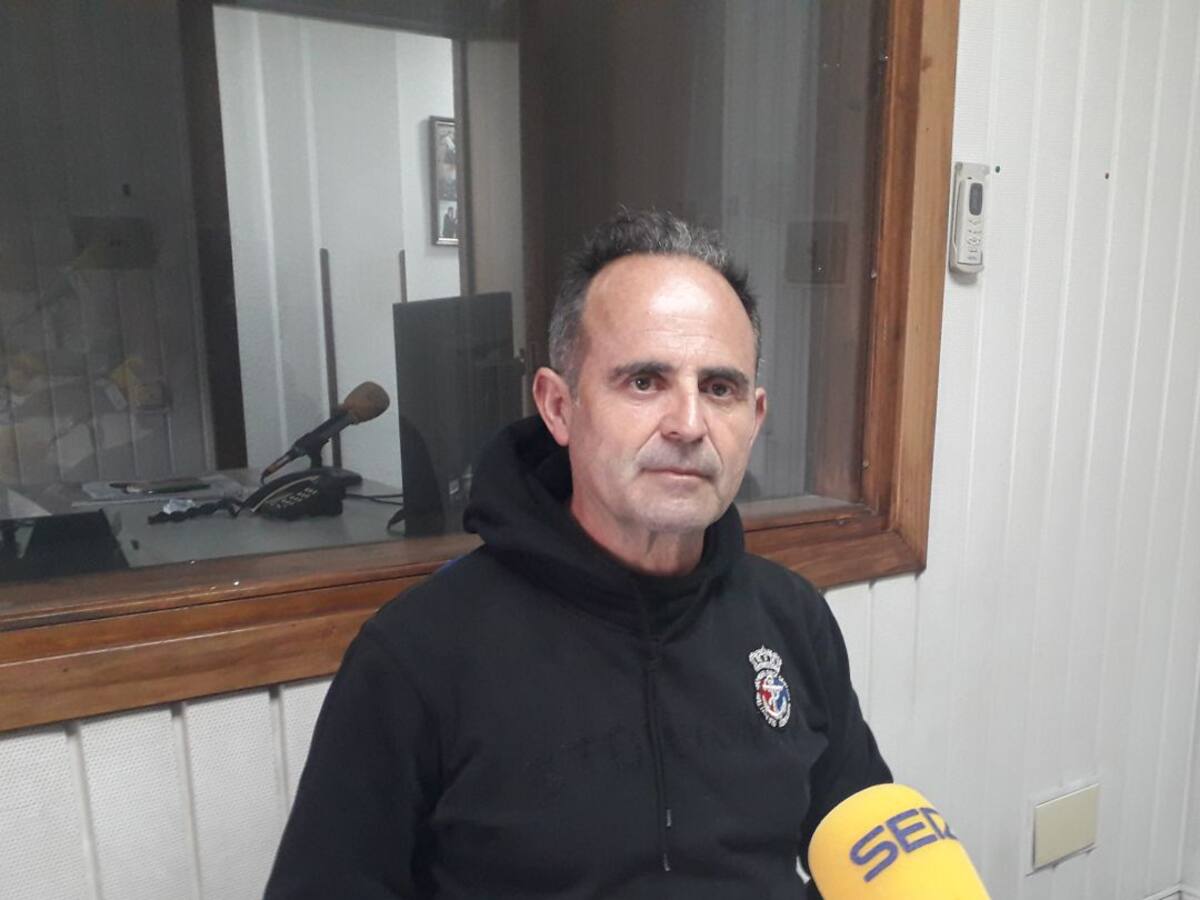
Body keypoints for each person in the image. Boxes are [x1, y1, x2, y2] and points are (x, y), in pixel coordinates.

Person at [263, 209, 890, 899]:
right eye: (644, 381)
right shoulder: (419, 655)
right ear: (559, 407)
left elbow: (873, 860)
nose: (689, 424)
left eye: (719, 389)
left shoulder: (791, 619)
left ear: (755, 418)